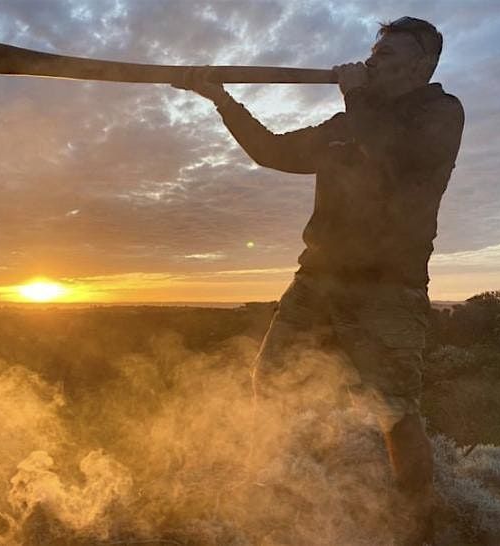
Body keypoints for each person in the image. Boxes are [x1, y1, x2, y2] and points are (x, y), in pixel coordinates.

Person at [173, 16, 464, 543]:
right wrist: (220, 98)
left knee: (394, 410)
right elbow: (271, 151)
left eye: (388, 55)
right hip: (318, 280)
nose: (372, 62)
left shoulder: (439, 113)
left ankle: (421, 524)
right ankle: (292, 492)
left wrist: (356, 96)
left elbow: (393, 156)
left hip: (387, 287)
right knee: (272, 382)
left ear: (422, 65)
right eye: (372, 53)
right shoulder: (348, 122)